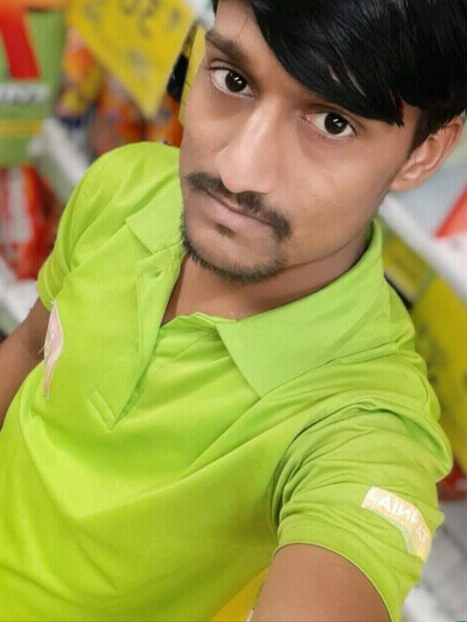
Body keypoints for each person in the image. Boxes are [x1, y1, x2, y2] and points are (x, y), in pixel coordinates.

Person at [0, 0, 466, 619]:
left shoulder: (365, 425)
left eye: (332, 123)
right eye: (234, 80)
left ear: (424, 153)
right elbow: (29, 345)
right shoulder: (126, 184)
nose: (237, 170)